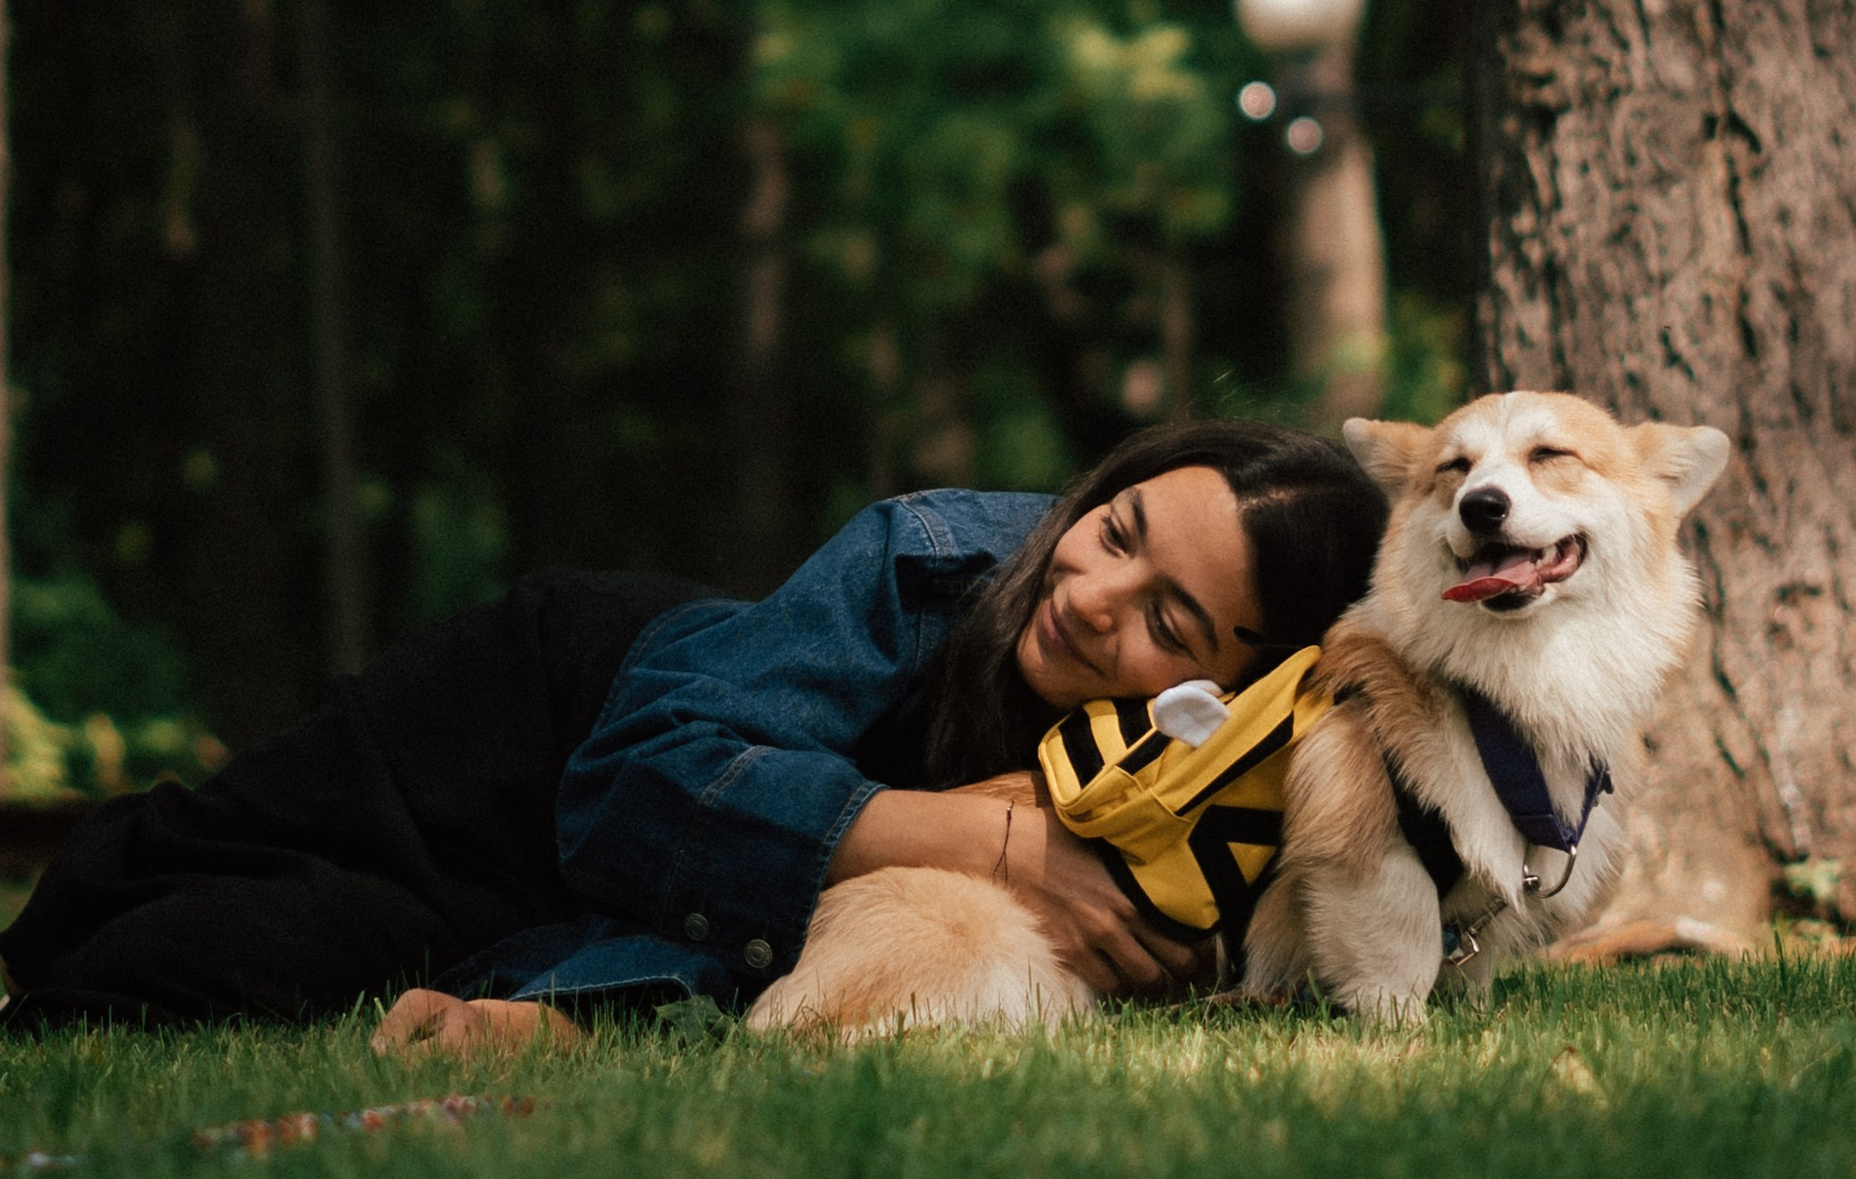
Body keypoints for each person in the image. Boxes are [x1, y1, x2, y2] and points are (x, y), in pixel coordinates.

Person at [0, 421, 1387, 1048]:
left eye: (1170, 623)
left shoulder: (1218, 800)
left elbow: (766, 939)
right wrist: (999, 838)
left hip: (596, 889)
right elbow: (636, 789)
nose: (1089, 598)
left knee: (287, 960)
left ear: (1244, 689)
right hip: (550, 721)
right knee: (145, 917)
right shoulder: (933, 561)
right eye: (1116, 529)